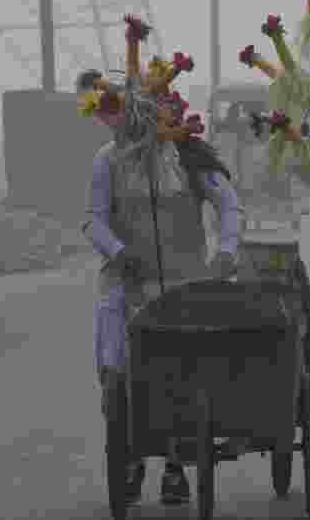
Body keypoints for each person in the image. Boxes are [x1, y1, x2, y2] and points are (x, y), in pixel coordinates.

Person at [79, 64, 241, 506]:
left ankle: (176, 464)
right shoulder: (106, 161)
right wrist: (117, 251)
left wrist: (226, 250)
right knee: (116, 369)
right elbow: (93, 221)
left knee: (193, 374)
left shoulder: (191, 156)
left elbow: (228, 206)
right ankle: (129, 452)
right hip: (128, 286)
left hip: (188, 286)